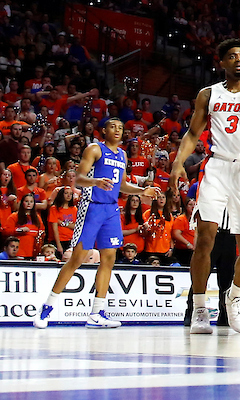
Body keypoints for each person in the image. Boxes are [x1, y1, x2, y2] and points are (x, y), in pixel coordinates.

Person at [171, 38, 240, 334]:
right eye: (232, 56)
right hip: (216, 166)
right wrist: (177, 164)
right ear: (222, 63)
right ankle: (200, 308)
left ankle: (234, 297)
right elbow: (191, 133)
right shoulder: (207, 94)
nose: (238, 59)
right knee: (205, 239)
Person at [34, 117, 161, 328]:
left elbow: (121, 185)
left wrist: (141, 190)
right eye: (113, 126)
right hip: (91, 206)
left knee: (109, 258)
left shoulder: (122, 155)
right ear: (104, 130)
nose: (118, 130)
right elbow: (80, 178)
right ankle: (47, 308)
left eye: (121, 127)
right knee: (77, 258)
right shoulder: (94, 149)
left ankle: (97, 313)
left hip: (111, 210)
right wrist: (95, 182)